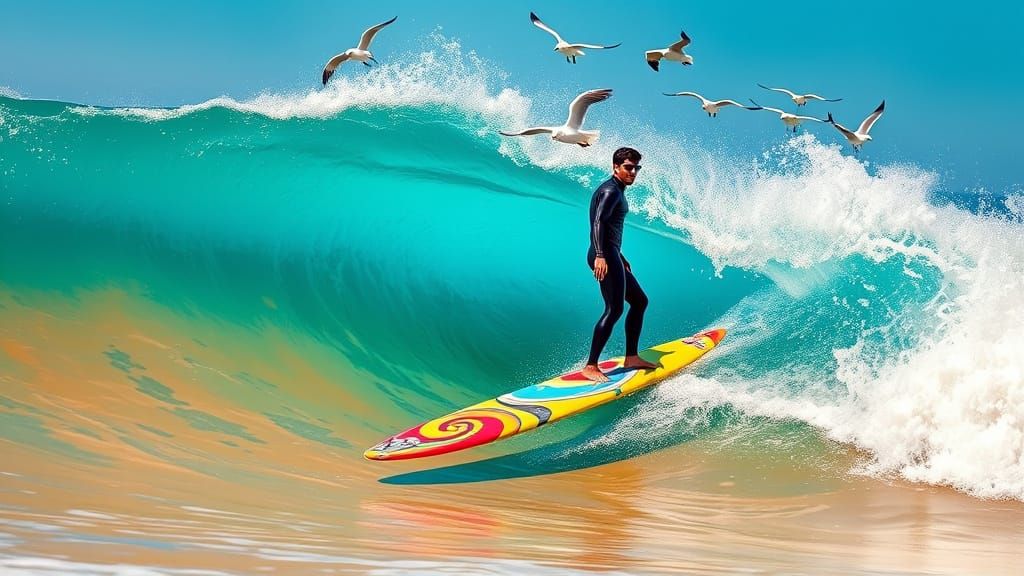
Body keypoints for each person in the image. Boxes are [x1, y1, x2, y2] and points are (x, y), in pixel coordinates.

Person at [581, 147, 659, 383]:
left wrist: (619, 255)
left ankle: (632, 357)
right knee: (614, 309)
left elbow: (609, 227)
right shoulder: (610, 191)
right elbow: (598, 223)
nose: (633, 172)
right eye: (628, 167)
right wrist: (602, 255)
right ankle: (591, 366)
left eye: (636, 168)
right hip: (603, 253)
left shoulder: (616, 190)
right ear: (615, 167)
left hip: (611, 252)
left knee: (639, 301)